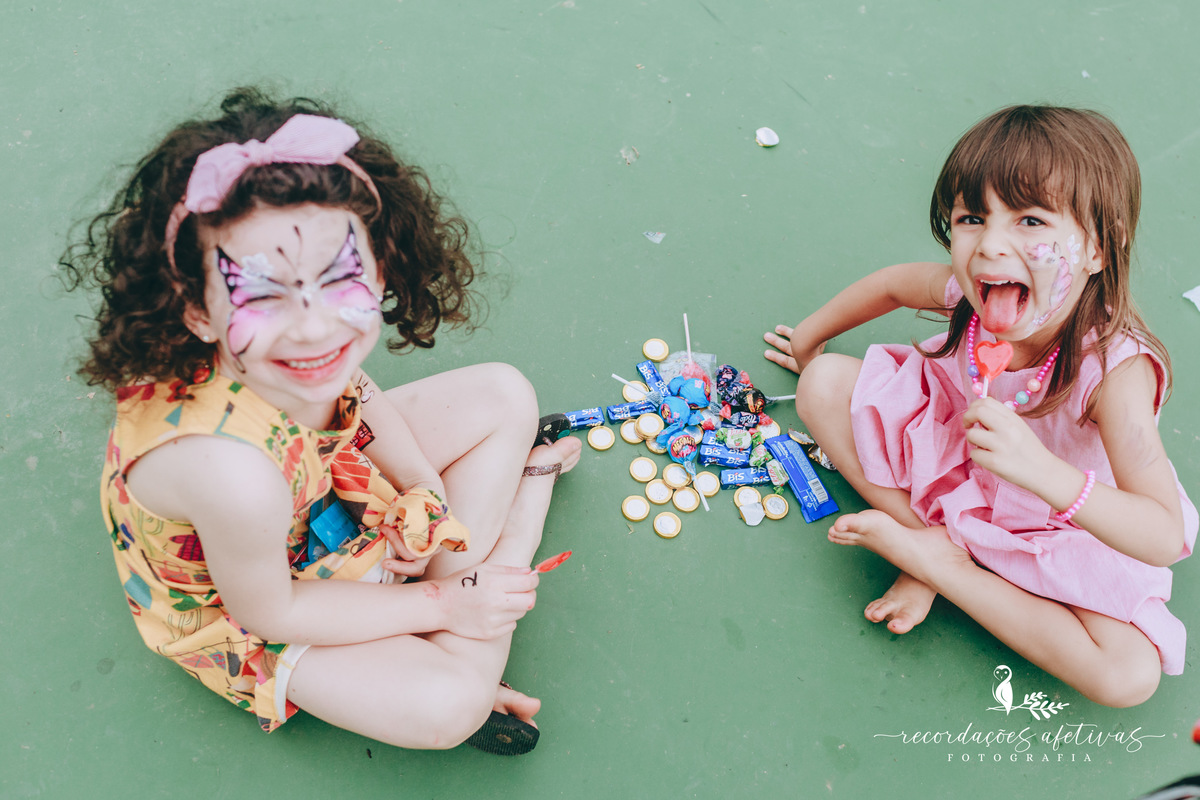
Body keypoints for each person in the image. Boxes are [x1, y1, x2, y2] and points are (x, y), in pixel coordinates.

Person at [62, 87, 582, 752]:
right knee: (451, 705)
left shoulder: (289, 361)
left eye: (341, 277)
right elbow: (272, 609)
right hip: (256, 592)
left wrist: (423, 487)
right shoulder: (230, 476)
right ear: (195, 311)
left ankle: (450, 617)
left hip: (319, 490)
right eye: (261, 294)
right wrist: (446, 604)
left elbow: (360, 397)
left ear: (381, 262)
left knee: (506, 394)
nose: (314, 327)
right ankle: (516, 527)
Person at [763, 105, 1196, 707]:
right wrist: (809, 341)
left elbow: (1163, 534)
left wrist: (1042, 471)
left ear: (1098, 248)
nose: (990, 245)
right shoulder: (972, 297)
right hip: (958, 459)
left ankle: (945, 567)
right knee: (822, 386)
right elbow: (891, 284)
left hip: (1059, 516)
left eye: (1030, 220)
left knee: (1128, 677)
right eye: (972, 217)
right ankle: (932, 535)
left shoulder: (1116, 372)